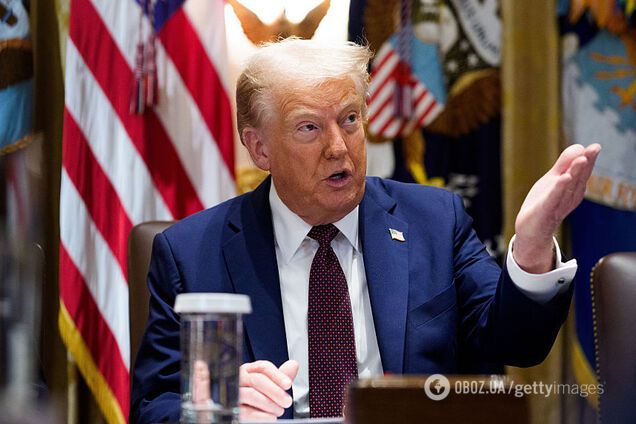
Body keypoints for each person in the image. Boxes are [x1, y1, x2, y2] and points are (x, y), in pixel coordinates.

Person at [131, 38, 600, 423]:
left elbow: (516, 342)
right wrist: (215, 411)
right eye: (309, 128)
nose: (339, 147)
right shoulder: (191, 255)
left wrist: (533, 245)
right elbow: (153, 408)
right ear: (259, 148)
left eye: (350, 119)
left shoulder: (434, 221)